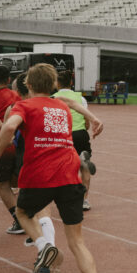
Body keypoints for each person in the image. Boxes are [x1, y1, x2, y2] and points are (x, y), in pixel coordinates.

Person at [0, 63, 114, 273]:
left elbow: (7, 128)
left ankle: (43, 245)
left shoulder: (23, 106)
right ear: (55, 86)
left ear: (27, 85)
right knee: (77, 241)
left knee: (24, 214)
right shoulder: (60, 103)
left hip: (39, 175)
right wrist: (93, 117)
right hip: (69, 176)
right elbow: (73, 104)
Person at [52, 70, 95, 211]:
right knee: (85, 167)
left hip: (64, 136)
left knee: (64, 168)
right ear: (71, 82)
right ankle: (84, 200)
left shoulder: (53, 98)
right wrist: (84, 129)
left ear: (56, 83)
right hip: (80, 133)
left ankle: (67, 197)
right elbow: (86, 119)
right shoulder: (80, 98)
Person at [0, 65, 23, 235]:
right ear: (8, 80)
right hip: (18, 143)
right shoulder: (16, 96)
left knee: (2, 184)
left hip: (0, 143)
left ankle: (19, 219)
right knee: (17, 180)